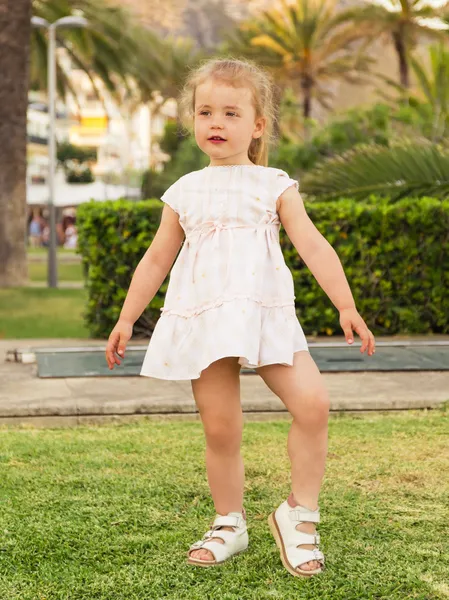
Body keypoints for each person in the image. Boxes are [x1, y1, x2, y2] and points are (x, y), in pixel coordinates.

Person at [105, 58, 376, 577]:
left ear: (256, 125)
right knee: (222, 429)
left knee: (313, 403)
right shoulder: (183, 191)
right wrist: (125, 318)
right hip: (203, 320)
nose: (216, 122)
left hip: (265, 316)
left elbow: (313, 246)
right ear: (192, 119)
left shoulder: (274, 184)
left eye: (231, 112)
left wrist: (346, 305)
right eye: (205, 111)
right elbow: (156, 259)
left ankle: (299, 517)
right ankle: (230, 523)